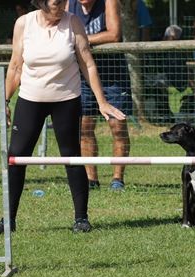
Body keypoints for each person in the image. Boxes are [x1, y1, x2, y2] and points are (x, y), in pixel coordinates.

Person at [0, 0, 126, 235]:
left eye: (63, 1)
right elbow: (15, 67)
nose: (61, 6)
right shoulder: (24, 23)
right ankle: (8, 219)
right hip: (30, 98)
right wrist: (5, 101)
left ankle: (81, 218)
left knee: (72, 157)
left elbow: (88, 64)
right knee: (16, 157)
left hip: (66, 99)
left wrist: (102, 101)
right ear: (41, 3)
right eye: (55, 2)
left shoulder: (73, 23)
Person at [66, 0, 131, 191]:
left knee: (117, 126)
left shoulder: (109, 2)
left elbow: (114, 34)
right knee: (85, 126)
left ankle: (117, 178)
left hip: (113, 76)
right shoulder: (71, 5)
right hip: (83, 74)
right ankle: (91, 179)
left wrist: (81, 39)